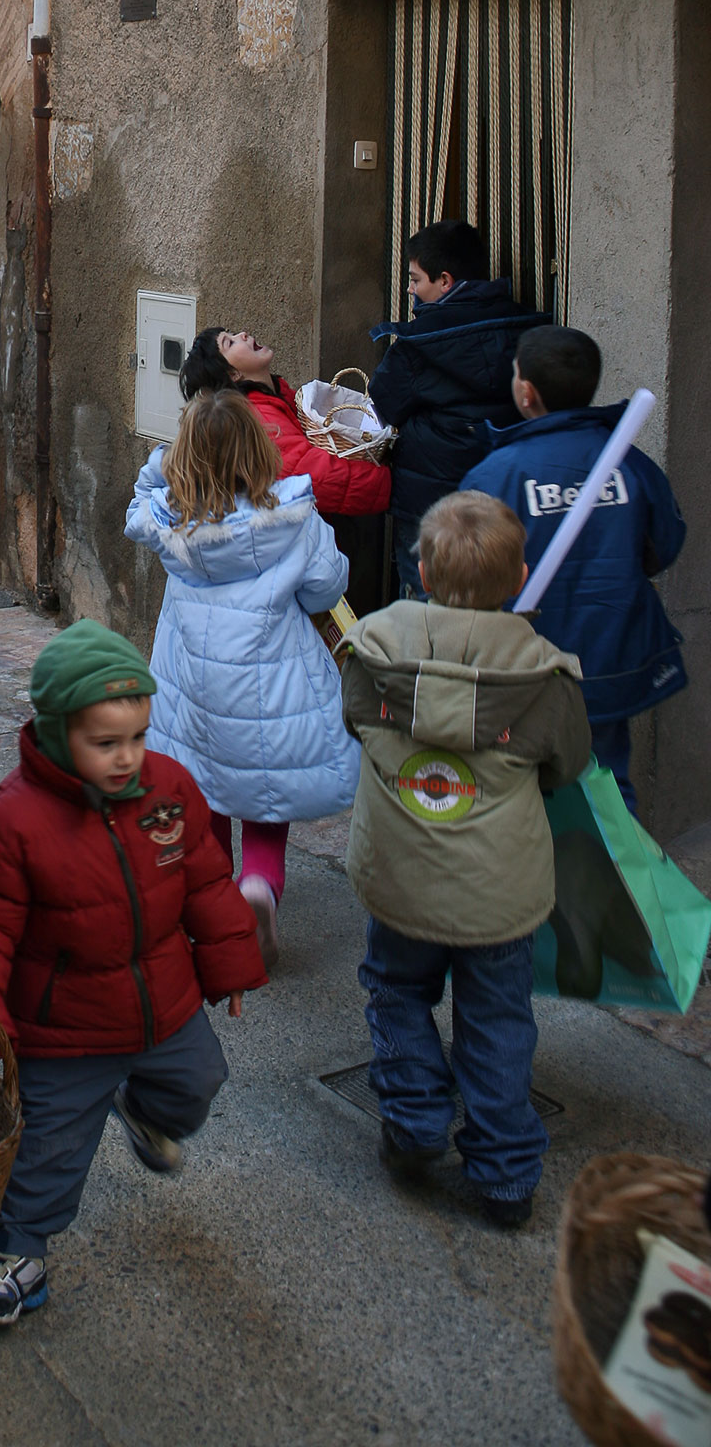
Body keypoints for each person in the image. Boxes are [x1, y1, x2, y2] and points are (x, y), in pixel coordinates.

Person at [0, 625, 268, 1328]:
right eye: (106, 742)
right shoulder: (10, 822)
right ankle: (17, 1254)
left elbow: (207, 881)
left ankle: (146, 1111)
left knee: (199, 1081)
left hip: (165, 1005)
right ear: (59, 733)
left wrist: (231, 962)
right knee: (48, 1153)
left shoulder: (169, 790)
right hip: (64, 1032)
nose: (127, 758)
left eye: (138, 738)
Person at [341, 491, 591, 1228]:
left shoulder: (374, 649)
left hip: (401, 874)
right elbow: (568, 763)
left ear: (420, 569)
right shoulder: (542, 676)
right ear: (520, 578)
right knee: (498, 1019)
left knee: (396, 988)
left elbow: (354, 720)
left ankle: (415, 1118)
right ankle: (506, 1174)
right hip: (499, 891)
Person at [126, 390, 358, 970]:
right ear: (259, 451)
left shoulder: (170, 519)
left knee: (206, 791)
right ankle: (258, 888)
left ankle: (218, 906)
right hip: (271, 690)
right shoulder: (295, 517)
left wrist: (163, 463)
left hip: (194, 690)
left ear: (182, 457)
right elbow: (326, 589)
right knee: (265, 799)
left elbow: (138, 503)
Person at [461, 326, 686, 811]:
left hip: (525, 663)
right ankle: (614, 861)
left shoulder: (496, 475)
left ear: (525, 392)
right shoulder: (630, 464)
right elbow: (665, 542)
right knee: (608, 786)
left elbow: (464, 573)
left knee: (521, 788)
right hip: (613, 653)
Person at [369, 218, 548, 596]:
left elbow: (383, 404)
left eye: (416, 280)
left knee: (423, 601)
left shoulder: (419, 343)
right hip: (504, 497)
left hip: (430, 503)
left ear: (445, 281)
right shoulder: (526, 328)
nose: (410, 289)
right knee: (495, 596)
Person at [180, 325, 391, 519]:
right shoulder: (260, 420)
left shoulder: (276, 396)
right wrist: (390, 482)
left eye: (233, 333)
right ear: (233, 374)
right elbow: (315, 477)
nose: (242, 335)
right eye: (230, 342)